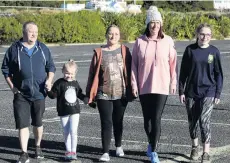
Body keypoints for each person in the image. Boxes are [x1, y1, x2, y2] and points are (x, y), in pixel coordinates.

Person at [1, 21, 56, 163]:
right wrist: (12, 87)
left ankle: (37, 146)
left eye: (36, 32)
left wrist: (49, 80)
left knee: (38, 123)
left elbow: (51, 67)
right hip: (21, 94)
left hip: (39, 93)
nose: (34, 34)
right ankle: (24, 152)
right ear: (24, 32)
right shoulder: (14, 49)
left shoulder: (42, 48)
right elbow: (5, 69)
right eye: (31, 31)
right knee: (22, 124)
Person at [131, 6, 177, 163]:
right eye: (152, 22)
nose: (155, 25)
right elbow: (134, 66)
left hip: (162, 85)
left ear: (161, 24)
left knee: (156, 118)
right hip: (144, 85)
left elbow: (173, 64)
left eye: (158, 22)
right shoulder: (139, 42)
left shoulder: (168, 41)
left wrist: (173, 82)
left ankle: (154, 150)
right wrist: (134, 85)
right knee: (147, 120)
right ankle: (151, 143)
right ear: (147, 24)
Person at [86, 24, 134, 162]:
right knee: (106, 122)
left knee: (118, 121)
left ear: (120, 36)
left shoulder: (125, 51)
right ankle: (105, 152)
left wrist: (134, 87)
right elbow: (91, 74)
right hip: (103, 94)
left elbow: (131, 71)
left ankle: (118, 146)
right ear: (106, 35)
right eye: (111, 33)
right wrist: (90, 93)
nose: (113, 36)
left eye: (116, 34)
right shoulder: (99, 52)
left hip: (122, 93)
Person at [179, 23, 223, 163]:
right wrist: (181, 91)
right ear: (197, 34)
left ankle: (206, 152)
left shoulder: (214, 51)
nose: (205, 37)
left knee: (204, 121)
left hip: (208, 91)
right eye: (202, 34)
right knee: (193, 122)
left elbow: (219, 74)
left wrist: (217, 93)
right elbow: (183, 73)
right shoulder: (190, 50)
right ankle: (195, 147)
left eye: (208, 34)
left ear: (211, 36)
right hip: (191, 91)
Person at [46, 59, 89, 161]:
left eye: (71, 74)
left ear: (75, 73)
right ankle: (68, 150)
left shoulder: (75, 82)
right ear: (63, 72)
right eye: (67, 73)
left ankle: (73, 151)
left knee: (73, 131)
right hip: (63, 111)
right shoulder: (59, 83)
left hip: (75, 110)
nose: (69, 75)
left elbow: (79, 94)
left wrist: (86, 99)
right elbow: (53, 96)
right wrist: (48, 90)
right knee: (66, 132)